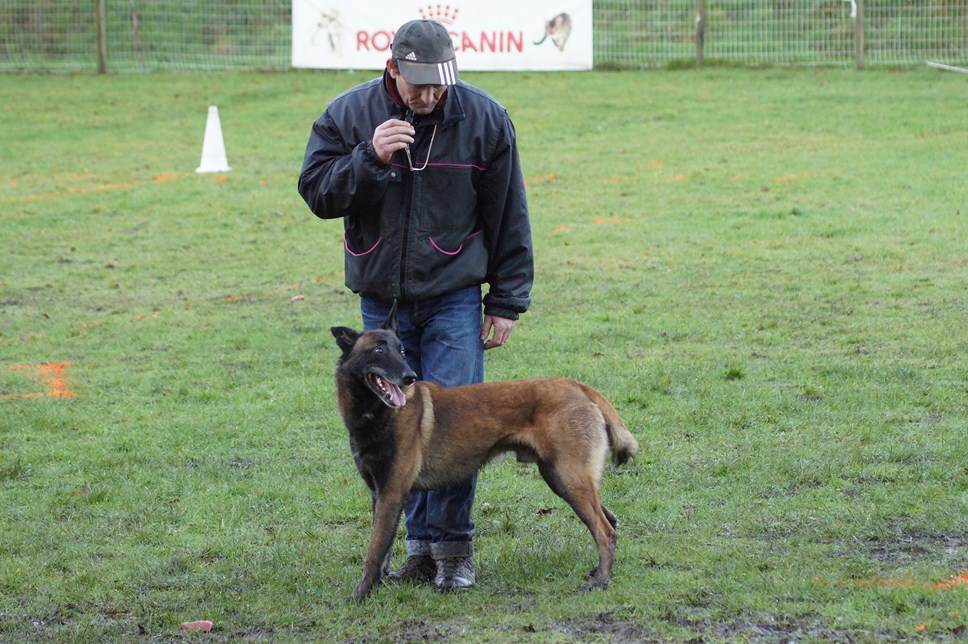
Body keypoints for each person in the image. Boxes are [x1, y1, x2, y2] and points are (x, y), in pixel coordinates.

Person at [298, 19, 534, 592]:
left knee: (457, 429)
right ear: (392, 70)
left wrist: (505, 300)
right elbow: (316, 192)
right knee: (395, 432)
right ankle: (419, 552)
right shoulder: (347, 116)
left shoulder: (484, 118)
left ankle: (455, 551)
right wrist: (368, 157)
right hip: (382, 309)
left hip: (454, 297)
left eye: (439, 85)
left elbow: (509, 214)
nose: (429, 96)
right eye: (418, 86)